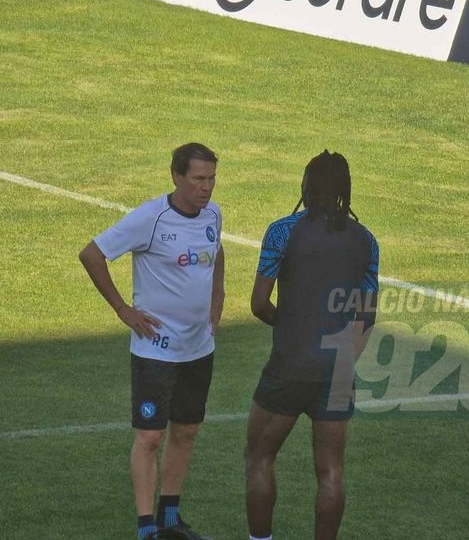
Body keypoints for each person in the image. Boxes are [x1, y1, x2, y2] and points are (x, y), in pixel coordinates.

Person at [79, 143, 225, 540]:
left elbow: (216, 252)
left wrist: (218, 301)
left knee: (187, 431)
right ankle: (147, 529)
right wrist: (123, 310)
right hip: (155, 350)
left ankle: (171, 517)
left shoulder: (213, 214)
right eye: (198, 178)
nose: (206, 187)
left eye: (211, 178)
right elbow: (92, 254)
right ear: (176, 176)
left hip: (199, 348)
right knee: (150, 436)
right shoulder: (150, 217)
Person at [244, 151, 379, 540]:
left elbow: (258, 304)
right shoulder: (366, 240)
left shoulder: (283, 231)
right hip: (337, 368)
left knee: (260, 456)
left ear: (305, 187)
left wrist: (286, 326)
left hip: (290, 363)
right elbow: (366, 316)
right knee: (331, 470)